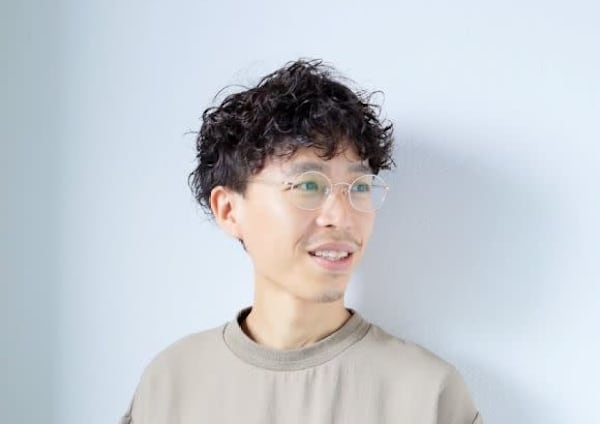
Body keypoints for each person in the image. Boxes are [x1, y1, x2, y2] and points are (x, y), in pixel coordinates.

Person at [120, 59, 482, 424]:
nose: (342, 217)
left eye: (359, 187)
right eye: (309, 185)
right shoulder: (170, 385)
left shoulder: (426, 395)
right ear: (229, 210)